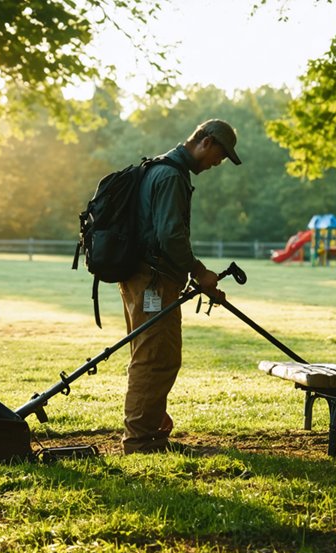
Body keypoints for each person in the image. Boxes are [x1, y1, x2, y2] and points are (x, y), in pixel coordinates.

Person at [118, 119, 242, 454]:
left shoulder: (160, 168)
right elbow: (170, 236)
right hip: (153, 283)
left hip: (147, 278)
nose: (217, 163)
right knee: (155, 357)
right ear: (206, 141)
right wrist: (200, 272)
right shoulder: (171, 175)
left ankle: (149, 426)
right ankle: (141, 441)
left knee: (155, 354)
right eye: (219, 155)